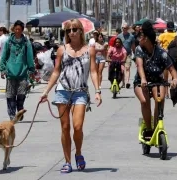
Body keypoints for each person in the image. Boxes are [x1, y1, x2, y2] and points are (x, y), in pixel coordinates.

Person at [40, 19, 102, 173]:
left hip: (80, 91)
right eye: (68, 30)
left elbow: (93, 71)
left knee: (78, 126)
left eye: (74, 29)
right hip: (62, 90)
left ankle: (78, 153)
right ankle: (67, 161)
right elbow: (56, 71)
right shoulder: (62, 50)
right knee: (65, 127)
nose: (71, 32)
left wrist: (98, 90)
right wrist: (46, 92)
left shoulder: (90, 50)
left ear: (81, 31)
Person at [134, 21, 177, 140]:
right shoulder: (139, 49)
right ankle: (149, 128)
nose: (138, 39)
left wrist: (175, 79)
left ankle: (157, 124)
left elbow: (172, 69)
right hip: (141, 81)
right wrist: (143, 79)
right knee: (144, 101)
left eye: (140, 36)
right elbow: (140, 66)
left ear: (146, 38)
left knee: (160, 99)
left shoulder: (161, 52)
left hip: (157, 81)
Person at [0, 20, 35, 120]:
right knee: (10, 95)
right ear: (14, 29)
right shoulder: (8, 42)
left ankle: (19, 111)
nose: (17, 31)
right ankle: (11, 115)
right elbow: (4, 56)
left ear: (22, 30)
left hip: (23, 73)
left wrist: (31, 70)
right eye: (16, 29)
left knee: (21, 95)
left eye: (19, 29)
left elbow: (29, 57)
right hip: (10, 73)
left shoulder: (26, 43)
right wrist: (2, 69)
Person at [158, 22, 177, 98]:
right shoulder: (176, 35)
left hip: (164, 55)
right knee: (173, 74)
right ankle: (172, 90)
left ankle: (166, 93)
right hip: (174, 55)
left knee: (165, 75)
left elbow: (158, 44)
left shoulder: (162, 35)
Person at [117, 23, 135, 88]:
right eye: (123, 28)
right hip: (120, 54)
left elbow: (133, 46)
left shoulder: (131, 36)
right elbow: (116, 45)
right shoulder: (119, 36)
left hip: (128, 54)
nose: (124, 29)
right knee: (122, 69)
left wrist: (135, 55)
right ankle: (123, 83)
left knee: (127, 68)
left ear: (127, 29)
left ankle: (127, 82)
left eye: (125, 28)